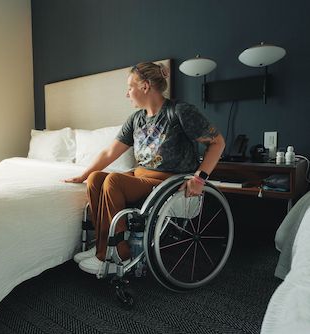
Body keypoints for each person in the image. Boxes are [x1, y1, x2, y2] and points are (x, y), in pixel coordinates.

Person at [64, 61, 225, 275]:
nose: (127, 93)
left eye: (130, 87)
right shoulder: (136, 119)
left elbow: (217, 143)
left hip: (167, 181)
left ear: (145, 86)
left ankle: (117, 255)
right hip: (142, 177)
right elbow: (110, 152)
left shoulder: (179, 111)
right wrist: (83, 175)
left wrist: (199, 178)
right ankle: (103, 245)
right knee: (96, 178)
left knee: (113, 180)